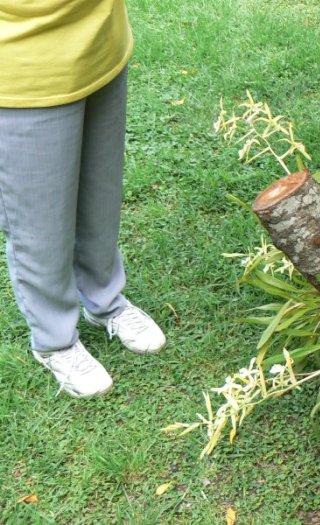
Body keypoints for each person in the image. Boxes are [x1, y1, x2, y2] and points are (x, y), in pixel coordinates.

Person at [0, 1, 166, 398]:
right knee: (40, 225)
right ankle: (55, 340)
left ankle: (104, 300)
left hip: (100, 42)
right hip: (23, 65)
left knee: (100, 196)